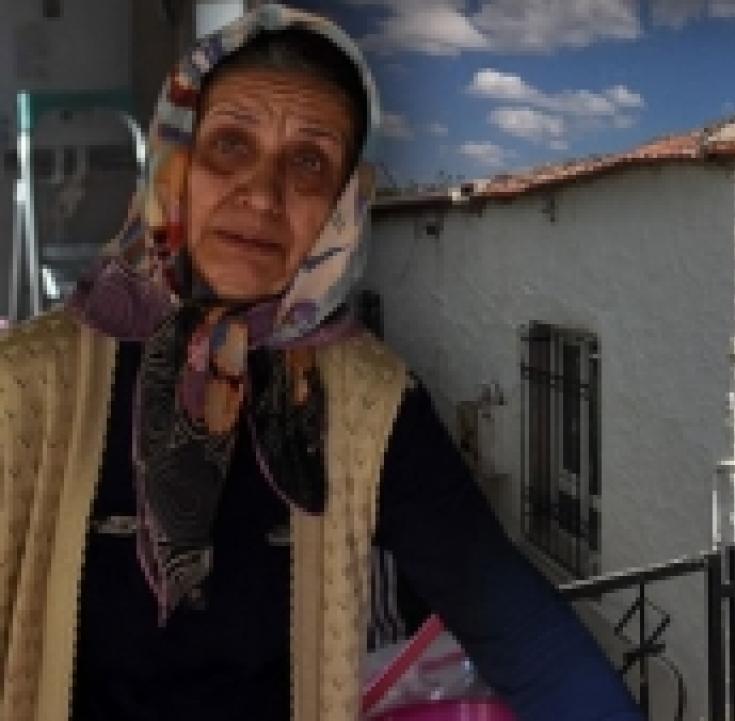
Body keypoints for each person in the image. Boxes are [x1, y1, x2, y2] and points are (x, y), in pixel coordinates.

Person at [0, 6, 643, 721]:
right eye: (230, 145)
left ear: (342, 206)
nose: (262, 195)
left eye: (308, 163)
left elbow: (519, 629)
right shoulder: (28, 387)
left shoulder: (367, 403)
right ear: (174, 163)